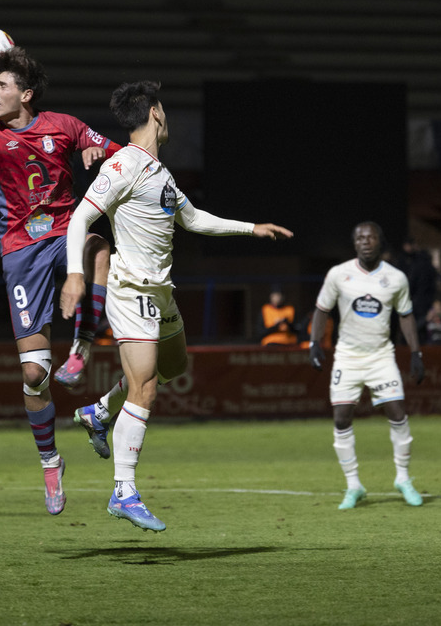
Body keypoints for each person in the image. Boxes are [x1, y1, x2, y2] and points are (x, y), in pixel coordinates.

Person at [60, 80, 292, 531]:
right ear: (156, 114)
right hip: (132, 291)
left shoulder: (159, 172)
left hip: (161, 292)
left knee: (173, 366)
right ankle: (123, 491)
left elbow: (193, 219)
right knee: (145, 387)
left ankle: (99, 411)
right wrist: (74, 273)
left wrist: (251, 228)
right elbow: (81, 216)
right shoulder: (124, 164)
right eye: (163, 105)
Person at [0, 46, 119, 515]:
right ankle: (51, 463)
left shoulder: (65, 125)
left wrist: (99, 150)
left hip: (63, 235)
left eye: (2, 86)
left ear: (26, 94)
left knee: (98, 247)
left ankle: (81, 350)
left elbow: (118, 153)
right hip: (19, 254)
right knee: (34, 374)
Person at [309, 222, 425, 510]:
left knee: (398, 412)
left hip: (381, 356)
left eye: (371, 237)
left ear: (380, 242)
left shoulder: (396, 278)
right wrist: (314, 344)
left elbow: (406, 315)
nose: (365, 241)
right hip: (348, 356)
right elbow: (322, 309)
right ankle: (354, 485)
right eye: (360, 237)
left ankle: (403, 478)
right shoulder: (339, 274)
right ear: (354, 243)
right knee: (341, 418)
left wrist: (416, 353)